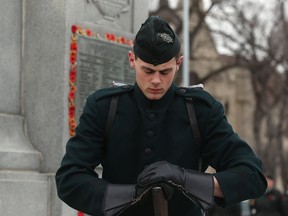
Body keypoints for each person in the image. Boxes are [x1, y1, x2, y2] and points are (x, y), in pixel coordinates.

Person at [55, 16, 267, 216]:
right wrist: (131, 196)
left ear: (178, 63)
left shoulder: (201, 110)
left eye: (165, 72)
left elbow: (252, 176)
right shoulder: (104, 107)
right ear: (132, 60)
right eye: (148, 71)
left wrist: (185, 180)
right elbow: (69, 179)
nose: (156, 80)